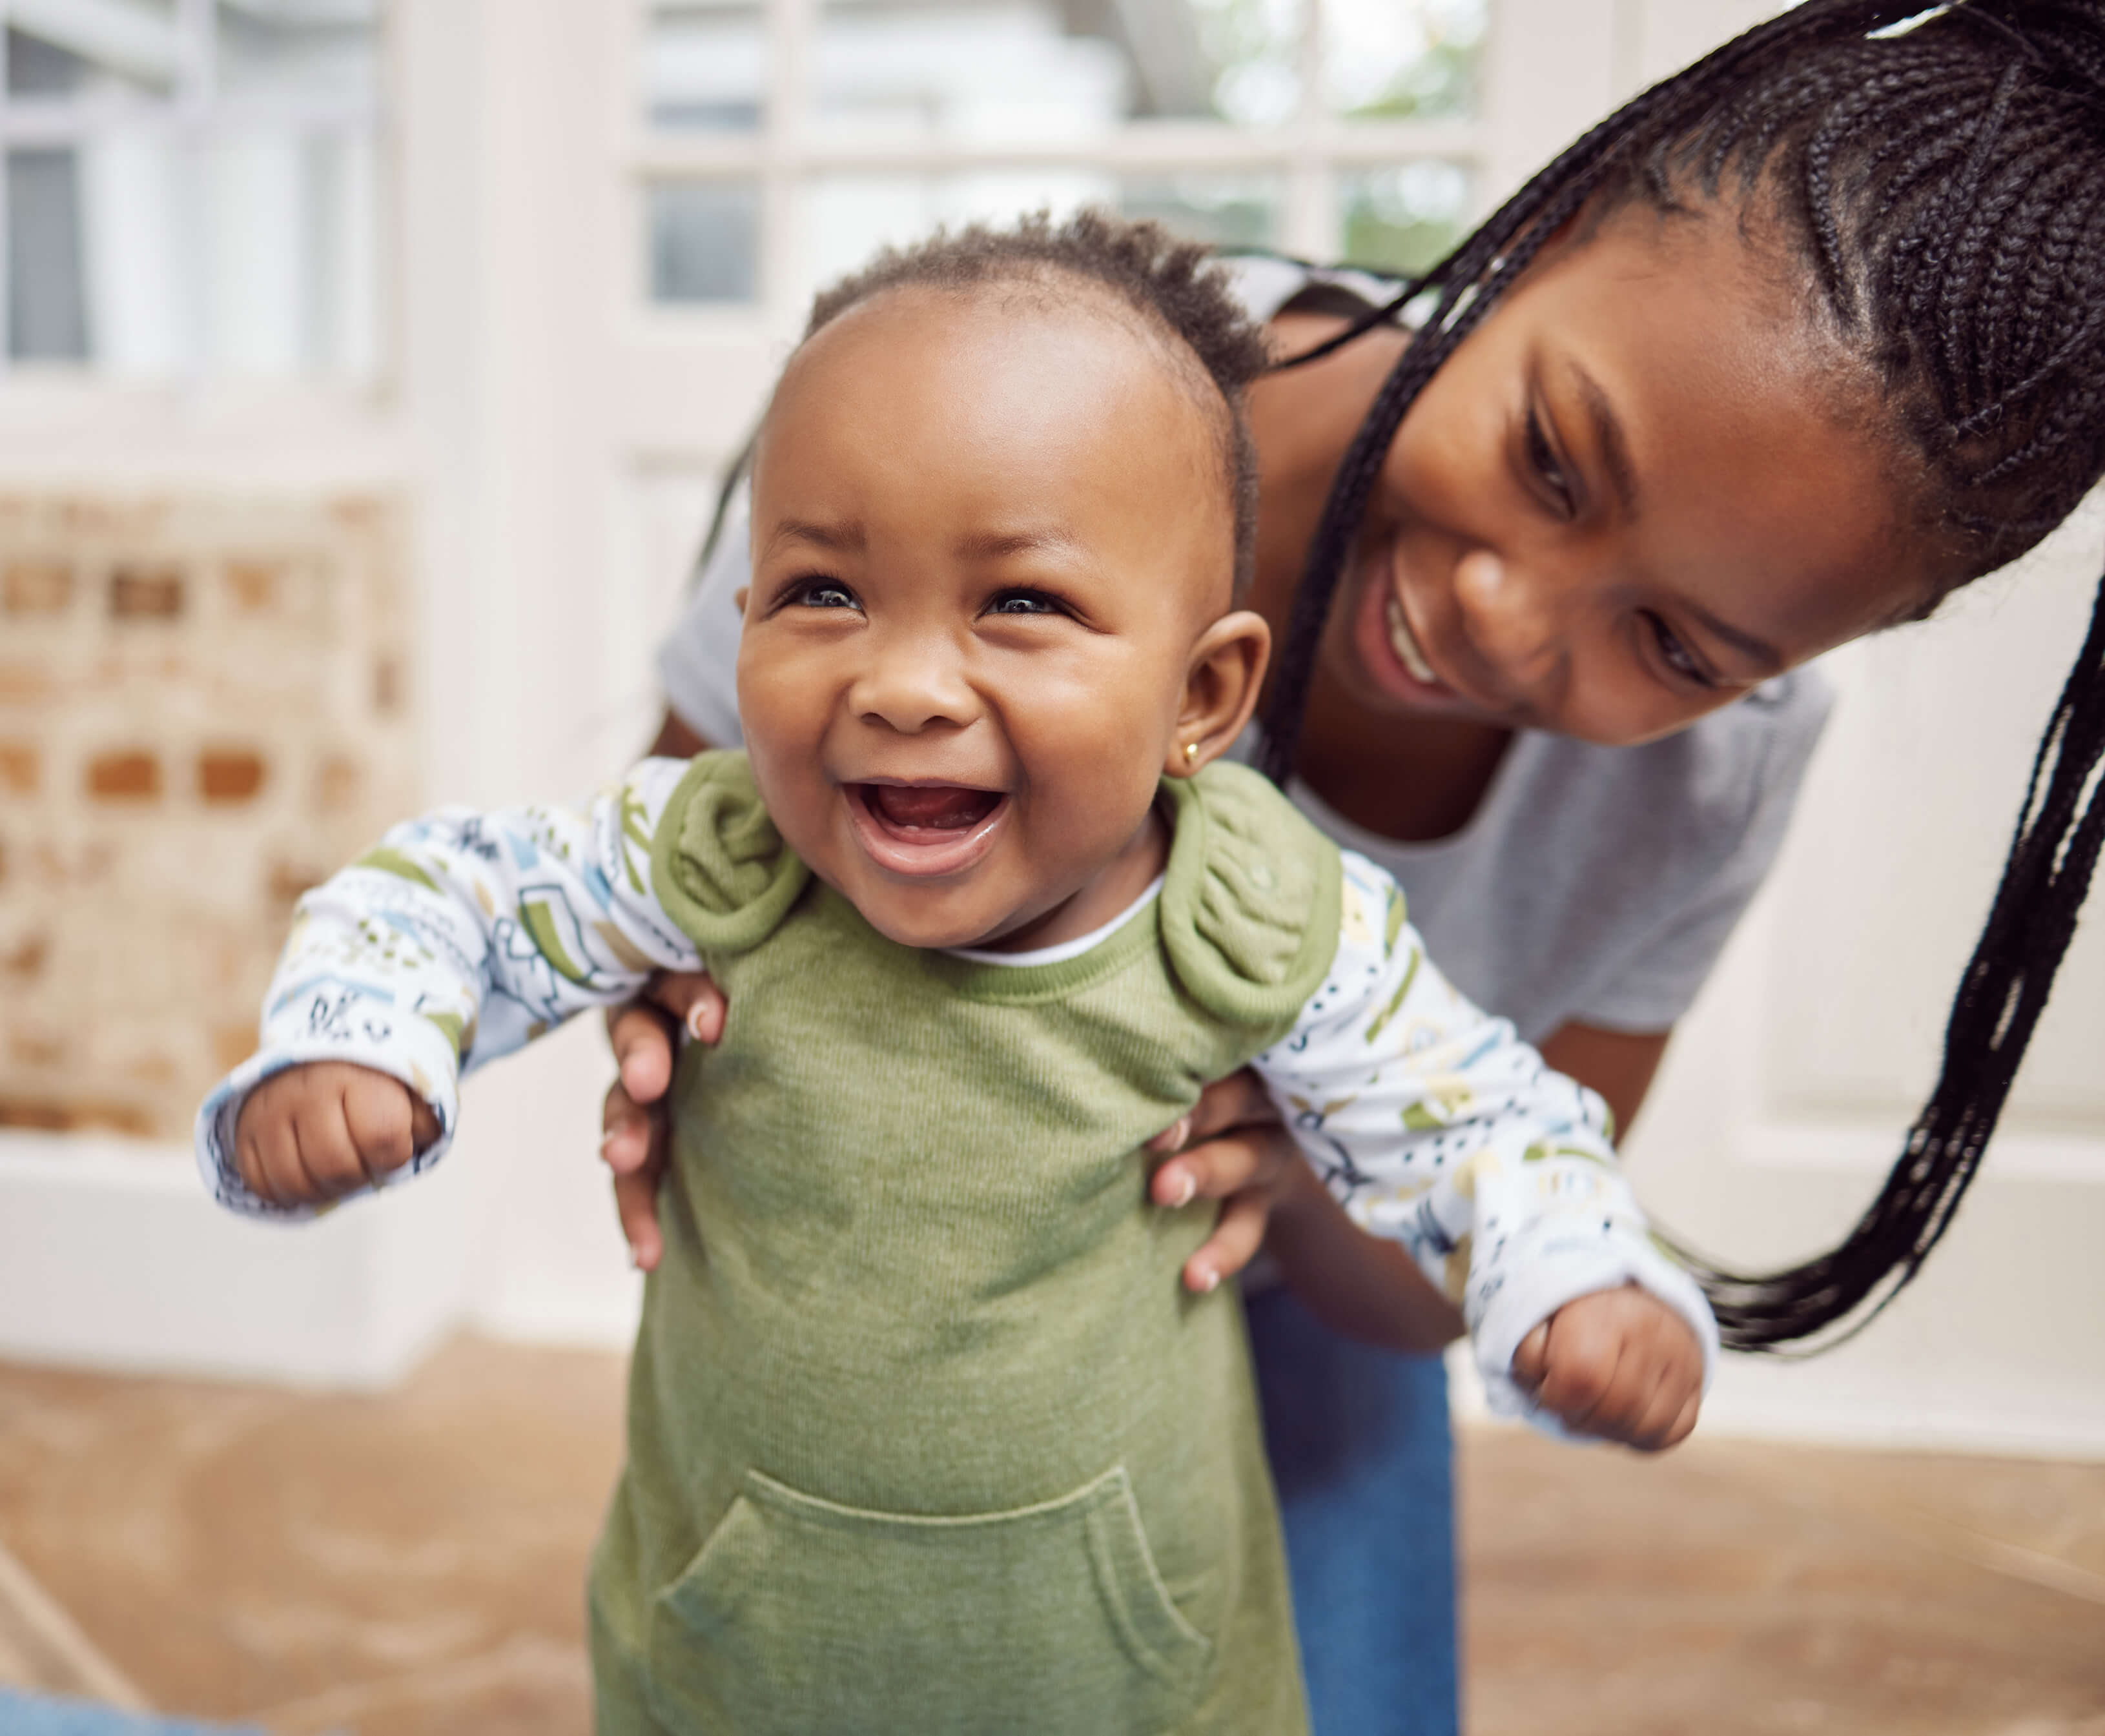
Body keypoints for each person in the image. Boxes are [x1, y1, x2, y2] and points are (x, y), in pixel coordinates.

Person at [598, 3, 2105, 1730]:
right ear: (1552, 224)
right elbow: (683, 860)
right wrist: (683, 1020)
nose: (1503, 617)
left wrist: (1323, 1171)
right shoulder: (996, 405)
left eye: (1676, 648)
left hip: (1268, 1280)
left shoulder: (1708, 788)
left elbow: (1457, 1246)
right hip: (884, 1256)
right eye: (1549, 456)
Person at [194, 215, 1712, 1735]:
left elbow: (1483, 1118)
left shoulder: (1254, 916)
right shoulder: (718, 857)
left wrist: (1575, 1274)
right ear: (744, 640)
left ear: (1200, 695)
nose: (903, 684)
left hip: (1125, 1673)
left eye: (1022, 604)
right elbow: (451, 890)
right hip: (742, 1656)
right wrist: (363, 1040)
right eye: (824, 595)